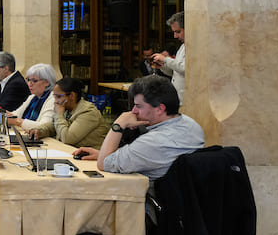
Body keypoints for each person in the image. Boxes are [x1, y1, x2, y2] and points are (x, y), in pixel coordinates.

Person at [72, 74, 205, 180]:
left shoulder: (152, 142)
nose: (133, 111)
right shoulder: (192, 125)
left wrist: (118, 125)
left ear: (160, 108)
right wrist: (104, 154)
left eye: (138, 106)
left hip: (152, 202)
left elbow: (102, 164)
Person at [49, 76, 111, 148]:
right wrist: (39, 131)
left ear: (72, 95)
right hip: (73, 153)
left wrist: (59, 114)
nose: (56, 101)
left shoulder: (88, 112)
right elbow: (54, 126)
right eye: (54, 97)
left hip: (90, 157)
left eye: (59, 97)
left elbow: (67, 138)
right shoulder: (67, 108)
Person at [7, 63, 57, 138]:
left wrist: (17, 121)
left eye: (34, 81)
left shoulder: (53, 98)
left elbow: (43, 126)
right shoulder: (32, 97)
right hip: (27, 135)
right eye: (28, 80)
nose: (29, 84)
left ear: (47, 82)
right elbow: (16, 114)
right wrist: (7, 115)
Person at [151, 11, 186, 101]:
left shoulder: (198, 47)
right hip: (178, 98)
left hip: (189, 100)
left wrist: (166, 59)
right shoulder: (183, 46)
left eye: (178, 32)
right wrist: (163, 67)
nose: (175, 36)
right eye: (174, 32)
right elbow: (176, 73)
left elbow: (186, 70)